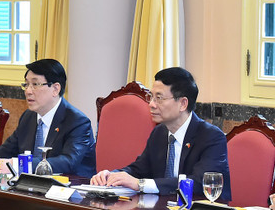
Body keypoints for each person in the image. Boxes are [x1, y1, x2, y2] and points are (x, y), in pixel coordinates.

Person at [91, 67, 231, 199]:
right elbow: (139, 169)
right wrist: (112, 176)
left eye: (159, 98)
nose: (151, 104)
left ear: (183, 103)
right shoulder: (159, 133)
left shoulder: (211, 137)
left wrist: (141, 185)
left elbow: (199, 184)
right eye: (151, 97)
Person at [0, 58, 96, 177]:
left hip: (71, 189)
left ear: (55, 89)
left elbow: (68, 162)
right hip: (32, 188)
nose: (28, 91)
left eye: (35, 84)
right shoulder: (28, 117)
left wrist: (19, 164)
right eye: (26, 84)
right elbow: (8, 149)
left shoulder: (77, 122)